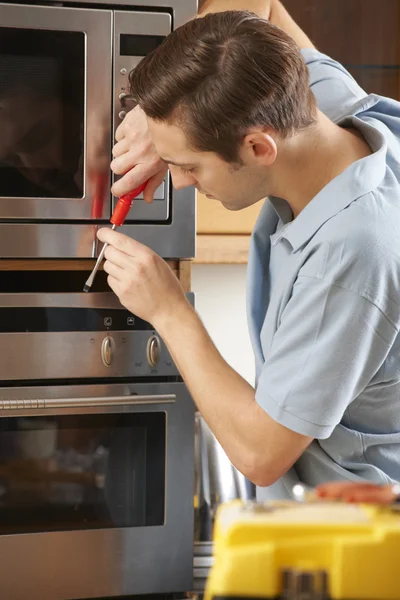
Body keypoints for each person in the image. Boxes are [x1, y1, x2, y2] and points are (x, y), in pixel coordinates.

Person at [97, 0, 400, 500]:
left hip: (348, 540)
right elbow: (264, 12)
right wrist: (173, 112)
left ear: (259, 148)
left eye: (189, 166)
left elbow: (262, 453)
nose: (179, 182)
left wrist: (169, 311)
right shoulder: (314, 104)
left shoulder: (350, 255)